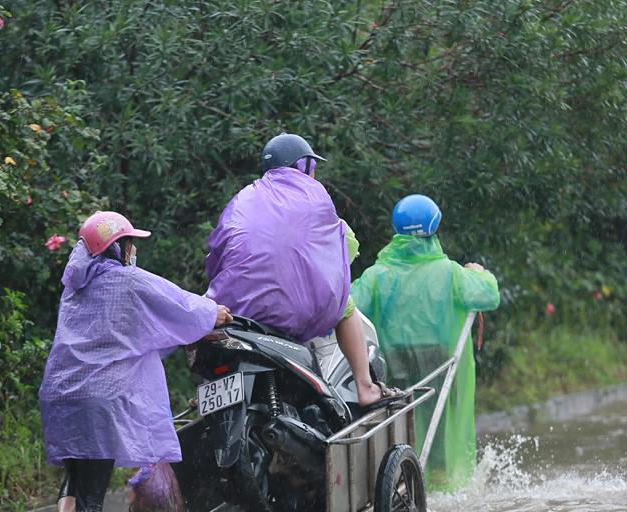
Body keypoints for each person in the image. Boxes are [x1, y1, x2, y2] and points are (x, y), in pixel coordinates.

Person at [39, 210, 232, 512]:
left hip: (60, 395)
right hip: (98, 400)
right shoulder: (129, 282)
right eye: (129, 243)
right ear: (116, 247)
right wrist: (213, 313)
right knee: (94, 497)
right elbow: (179, 305)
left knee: (77, 473)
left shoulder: (74, 288)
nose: (133, 250)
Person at [205, 133, 402, 409]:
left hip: (237, 310)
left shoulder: (242, 199)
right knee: (345, 307)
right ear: (304, 166)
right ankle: (365, 387)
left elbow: (215, 256)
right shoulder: (314, 194)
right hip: (292, 307)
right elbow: (335, 245)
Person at [350, 194, 501, 491]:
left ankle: (397, 484)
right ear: (434, 230)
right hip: (440, 361)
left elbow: (347, 306)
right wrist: (480, 274)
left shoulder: (378, 274)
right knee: (439, 430)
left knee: (398, 426)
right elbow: (488, 295)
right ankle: (439, 488)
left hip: (394, 361)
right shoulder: (451, 273)